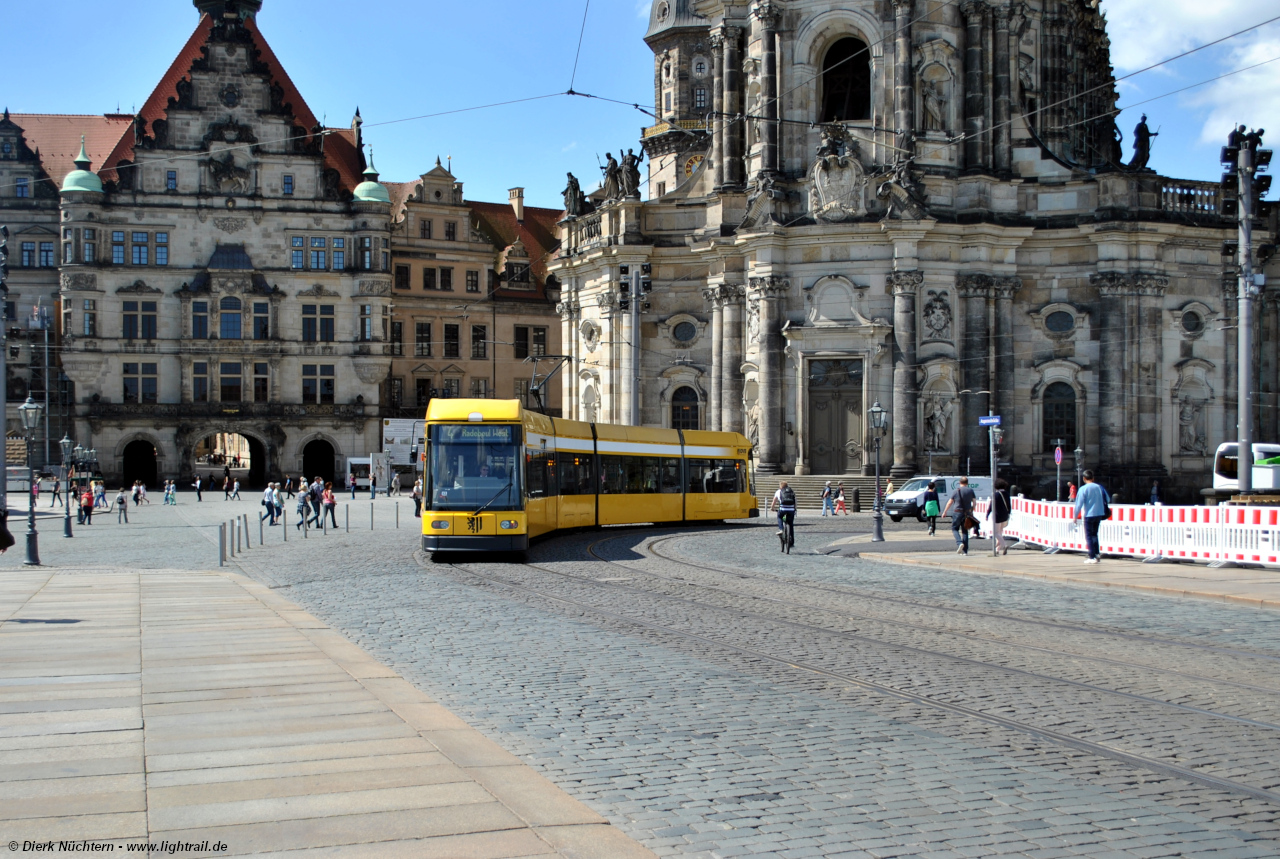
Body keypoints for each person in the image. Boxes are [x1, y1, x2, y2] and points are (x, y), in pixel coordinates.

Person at [1073, 469, 1110, 564]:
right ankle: (1097, 554)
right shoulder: (1099, 487)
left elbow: (1078, 504)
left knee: (1089, 535)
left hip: (1089, 514)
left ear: (1084, 478)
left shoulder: (1083, 489)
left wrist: (1075, 516)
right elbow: (1108, 499)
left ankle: (1091, 556)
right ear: (1093, 478)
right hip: (1099, 513)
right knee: (1094, 534)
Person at [941, 476, 977, 555]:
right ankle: (965, 551)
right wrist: (972, 511)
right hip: (967, 513)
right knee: (965, 531)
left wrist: (945, 512)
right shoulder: (971, 491)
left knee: (954, 528)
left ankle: (959, 542)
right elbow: (974, 502)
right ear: (967, 483)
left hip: (957, 512)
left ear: (960, 483)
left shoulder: (956, 491)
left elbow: (950, 502)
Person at [989, 478, 1011, 555]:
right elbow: (1009, 505)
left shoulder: (996, 494)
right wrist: (1009, 513)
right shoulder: (1007, 494)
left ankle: (1004, 545)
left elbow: (991, 505)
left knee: (996, 533)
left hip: (997, 515)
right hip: (1005, 516)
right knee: (1000, 532)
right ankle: (997, 549)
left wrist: (987, 514)